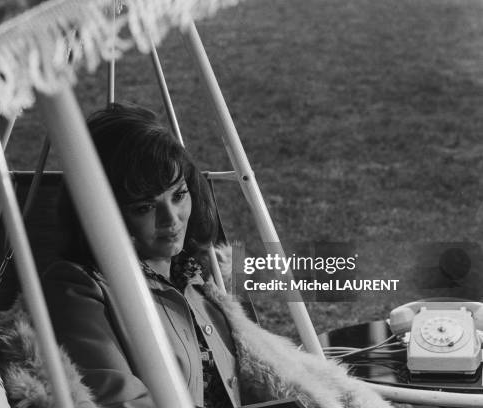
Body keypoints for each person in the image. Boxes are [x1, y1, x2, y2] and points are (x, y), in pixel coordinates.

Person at [32, 103, 394, 408]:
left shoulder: (199, 280)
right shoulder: (77, 290)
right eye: (144, 207)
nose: (171, 221)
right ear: (103, 212)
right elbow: (118, 401)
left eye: (178, 194)